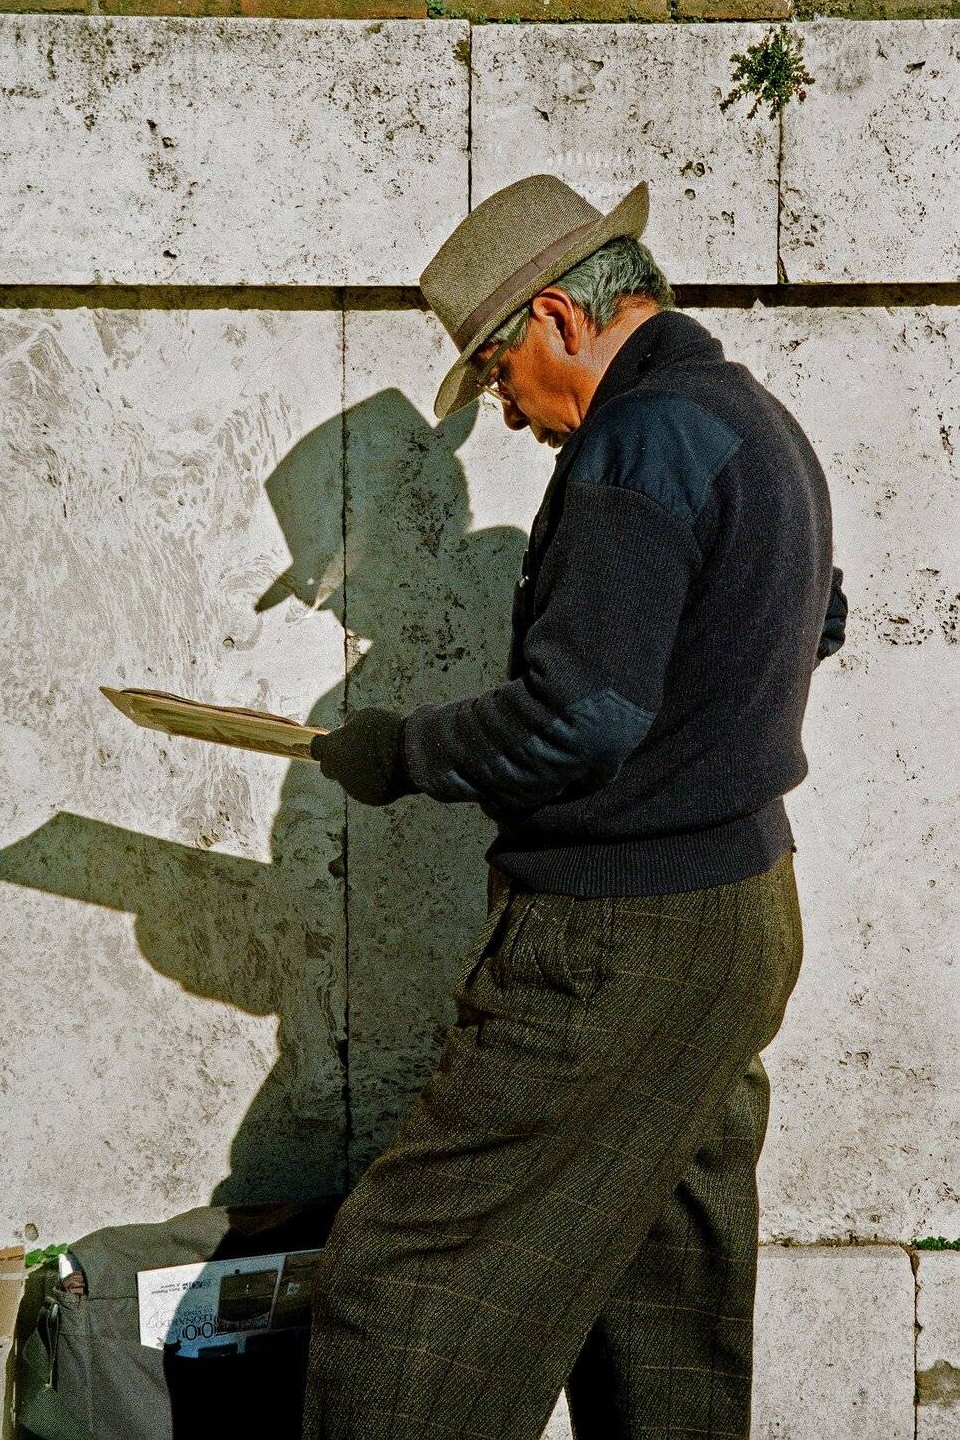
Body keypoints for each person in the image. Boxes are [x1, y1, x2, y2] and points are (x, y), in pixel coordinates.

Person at [302, 173, 848, 1440]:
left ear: (555, 315)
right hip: (739, 917)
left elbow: (581, 712)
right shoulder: (750, 418)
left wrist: (405, 752)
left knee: (405, 1284)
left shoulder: (636, 439)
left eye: (497, 371)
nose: (505, 410)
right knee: (660, 1291)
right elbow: (815, 617)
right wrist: (705, 738)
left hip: (620, 935)